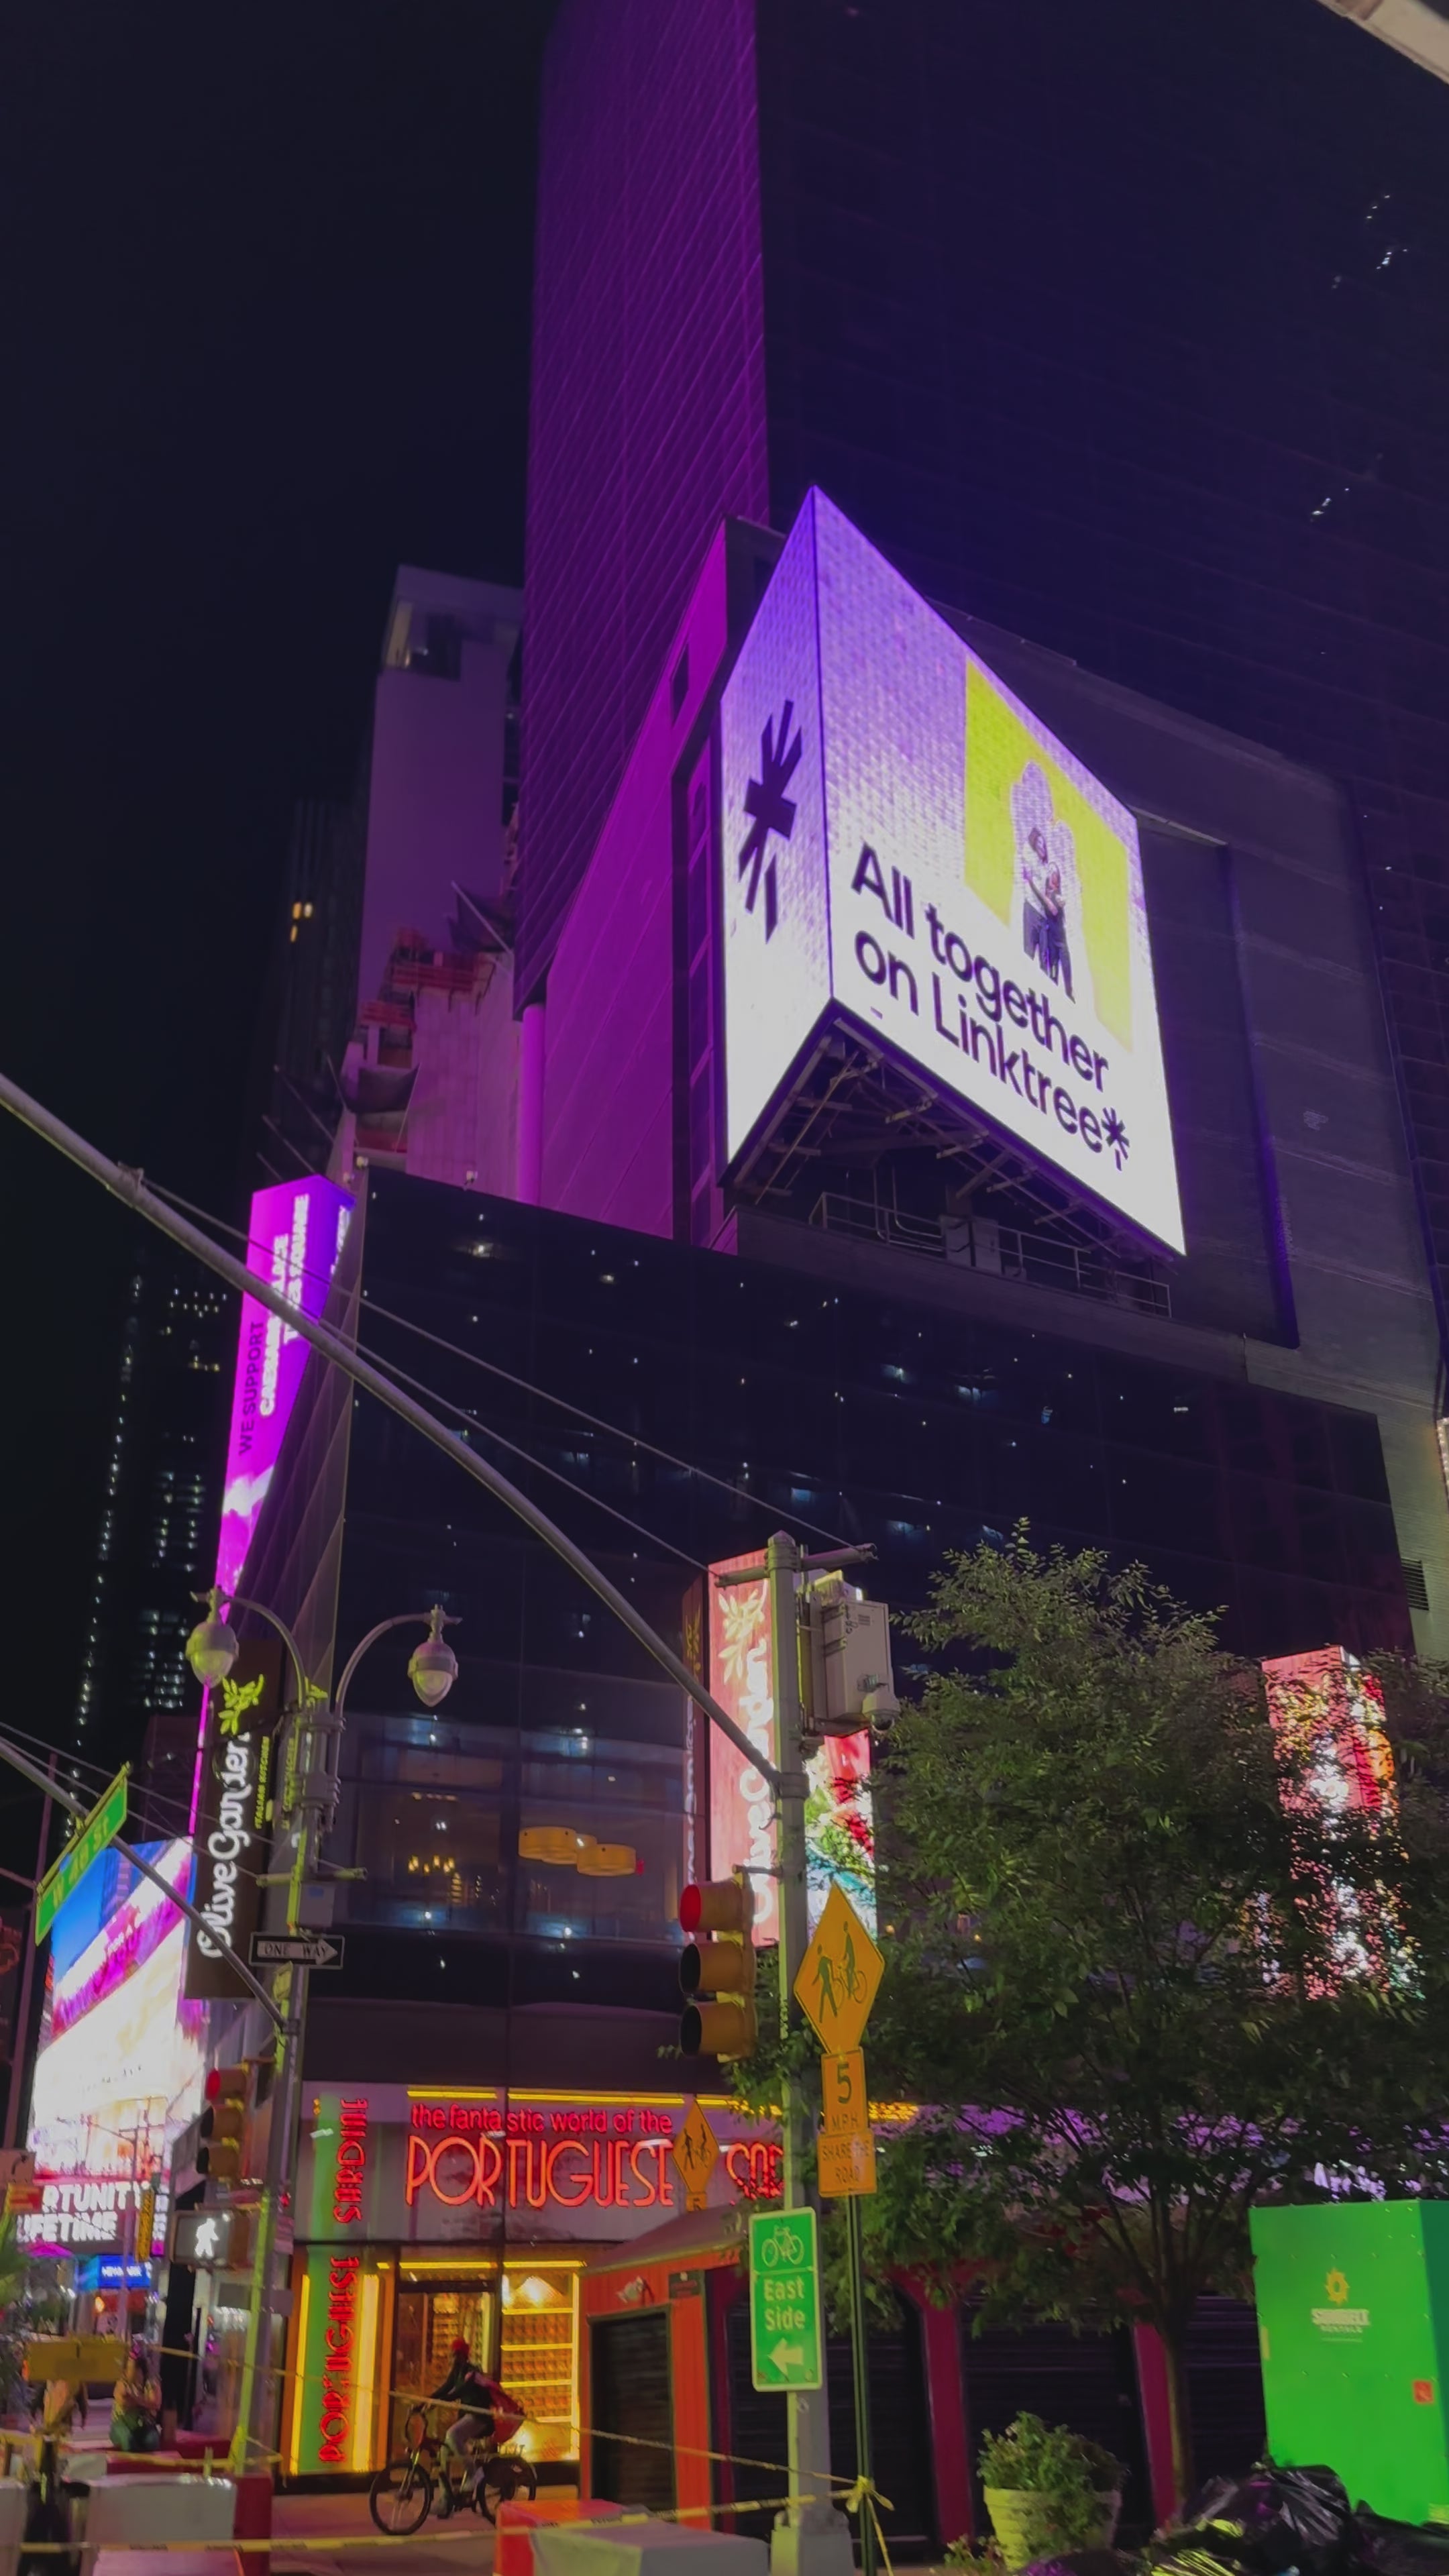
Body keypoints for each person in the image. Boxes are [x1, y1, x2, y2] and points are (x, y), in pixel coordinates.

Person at [429, 2338, 504, 2489]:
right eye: (453, 2355)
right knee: (444, 2450)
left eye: (457, 2354)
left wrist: (442, 2400)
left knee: (452, 2435)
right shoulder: (457, 2372)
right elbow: (446, 2388)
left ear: (464, 2355)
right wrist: (426, 2401)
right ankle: (446, 2497)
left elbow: (460, 2390)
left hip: (479, 2418)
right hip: (468, 2417)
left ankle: (474, 2474)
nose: (454, 2358)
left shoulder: (472, 2372)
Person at [110, 2341, 162, 2453]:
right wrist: (145, 2402)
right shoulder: (122, 2382)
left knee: (153, 2442)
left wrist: (136, 2399)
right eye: (130, 2368)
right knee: (129, 2442)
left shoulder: (150, 2383)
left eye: (137, 2370)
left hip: (143, 2425)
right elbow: (123, 2401)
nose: (134, 2373)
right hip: (121, 2423)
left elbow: (156, 2404)